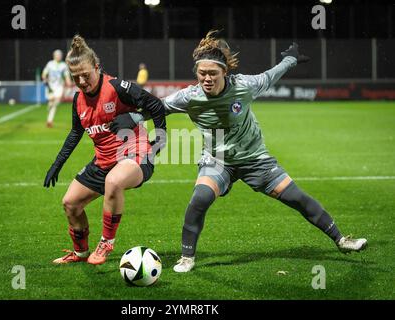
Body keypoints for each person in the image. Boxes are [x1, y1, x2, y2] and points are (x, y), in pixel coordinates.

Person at [111, 30, 368, 273]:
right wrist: (132, 118)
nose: (207, 79)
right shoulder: (190, 97)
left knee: (297, 198)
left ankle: (341, 240)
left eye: (212, 73)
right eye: (202, 74)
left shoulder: (245, 86)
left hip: (255, 159)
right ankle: (187, 257)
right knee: (199, 198)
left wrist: (289, 59)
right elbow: (159, 107)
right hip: (217, 160)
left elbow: (272, 74)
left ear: (224, 72)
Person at [43, 35, 166, 266]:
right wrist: (56, 164)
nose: (81, 81)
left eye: (86, 75)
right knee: (71, 203)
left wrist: (159, 141)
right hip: (104, 160)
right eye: (75, 77)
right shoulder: (78, 99)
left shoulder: (117, 87)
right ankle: (80, 253)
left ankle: (106, 243)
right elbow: (75, 133)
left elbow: (155, 105)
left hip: (136, 154)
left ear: (97, 68)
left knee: (113, 181)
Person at [42, 49, 72, 128]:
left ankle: (49, 121)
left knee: (56, 103)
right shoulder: (50, 64)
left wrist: (69, 82)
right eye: (57, 55)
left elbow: (66, 76)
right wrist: (44, 79)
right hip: (50, 87)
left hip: (59, 87)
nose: (59, 56)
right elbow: (44, 74)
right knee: (51, 103)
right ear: (54, 56)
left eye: (60, 55)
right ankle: (49, 109)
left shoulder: (63, 65)